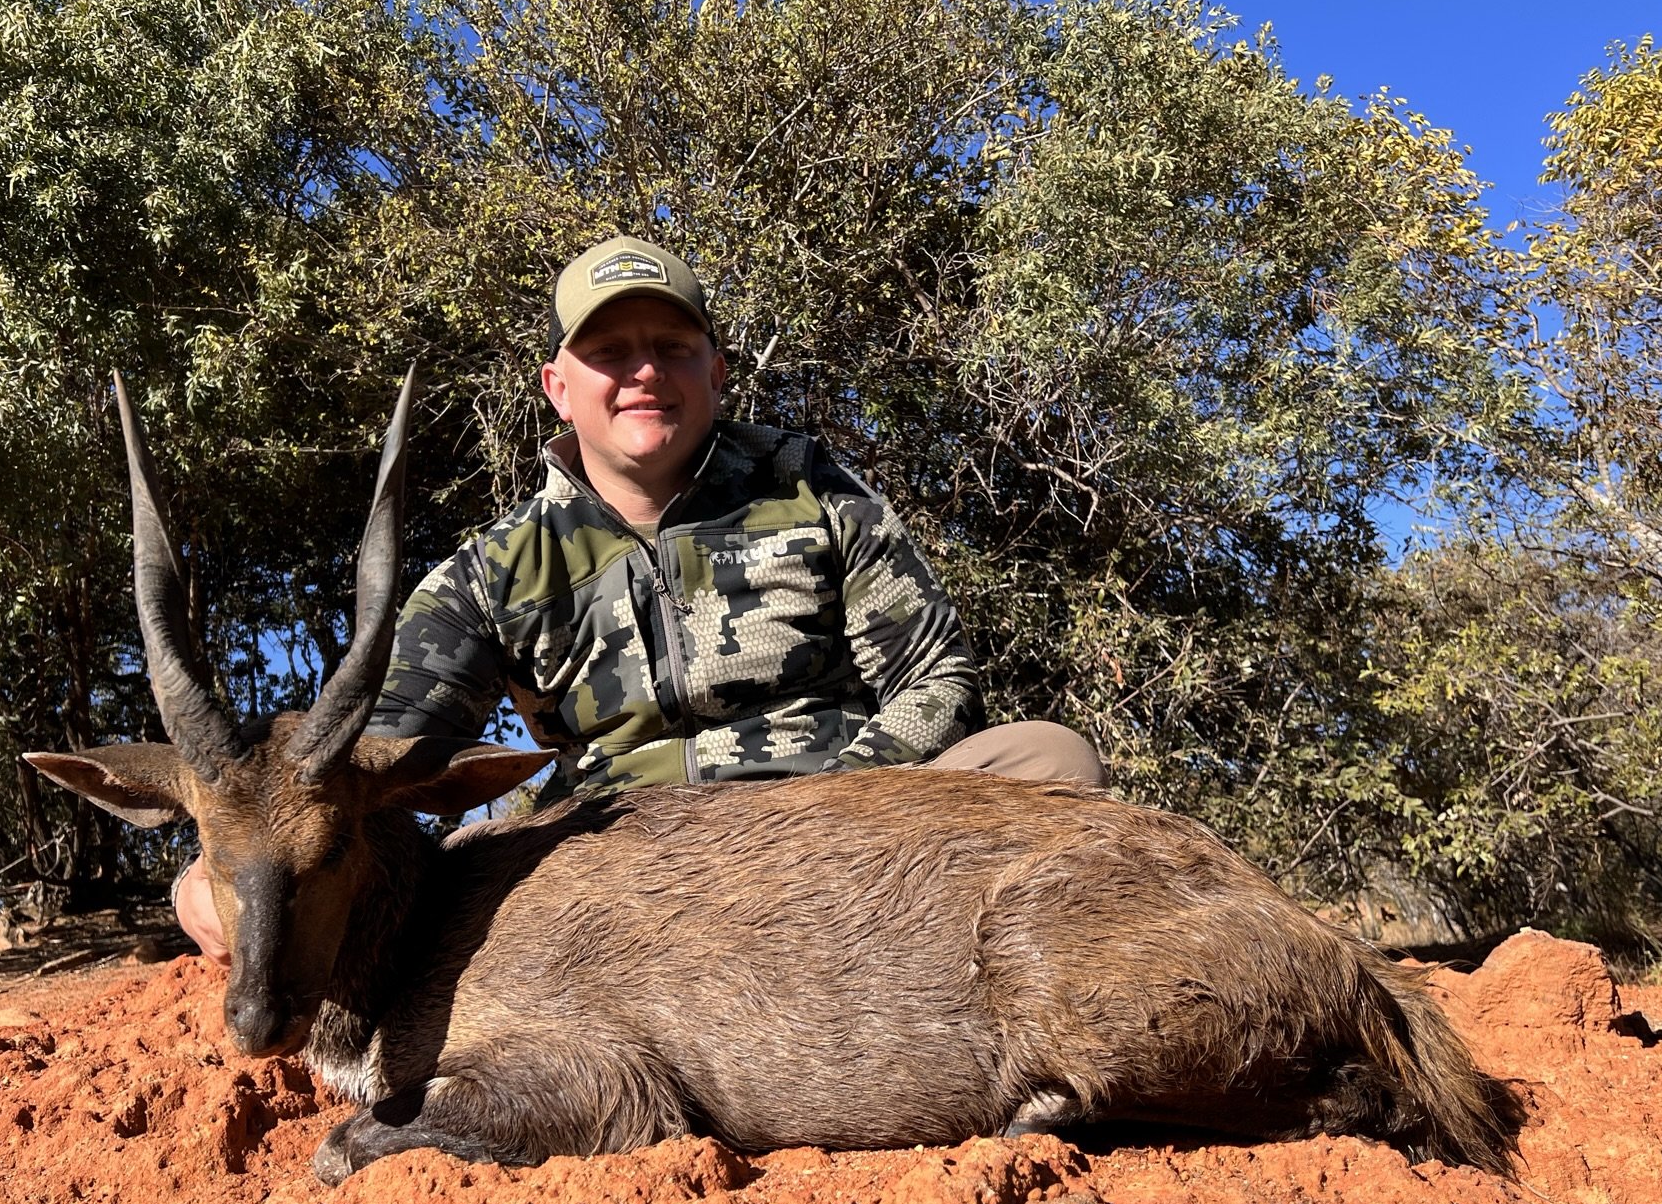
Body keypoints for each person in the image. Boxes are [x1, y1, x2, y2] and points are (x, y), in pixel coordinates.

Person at [175, 235, 1105, 963]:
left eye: (671, 346)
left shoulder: (812, 486)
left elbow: (937, 679)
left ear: (716, 370)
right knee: (216, 894)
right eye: (611, 352)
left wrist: (832, 804)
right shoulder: (494, 566)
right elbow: (373, 757)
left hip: (842, 832)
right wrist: (245, 856)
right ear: (558, 387)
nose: (644, 371)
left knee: (1052, 764)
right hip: (620, 861)